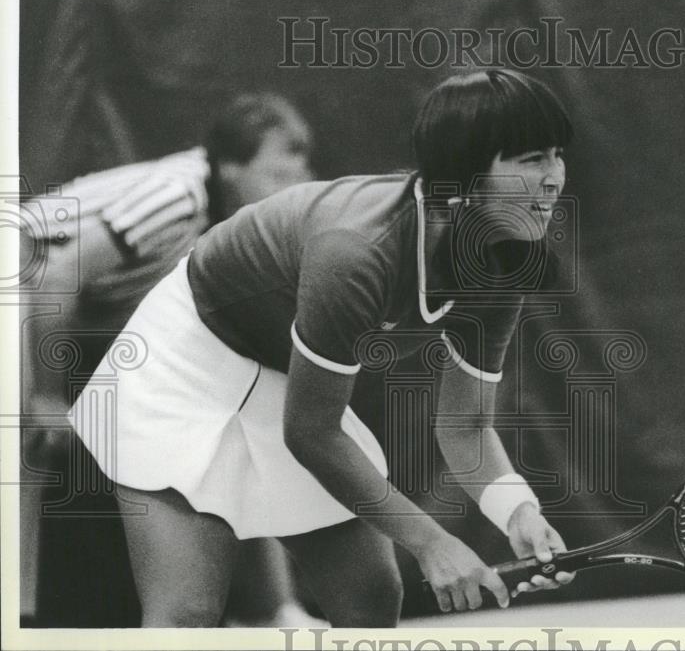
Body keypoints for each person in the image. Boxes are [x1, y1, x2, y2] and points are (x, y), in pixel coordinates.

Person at [67, 68, 577, 627]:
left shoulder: (509, 259)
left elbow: (465, 426)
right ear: (463, 173)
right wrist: (432, 543)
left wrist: (518, 512)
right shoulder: (356, 250)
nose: (554, 177)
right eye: (531, 160)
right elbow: (312, 433)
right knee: (186, 616)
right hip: (185, 362)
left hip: (280, 375)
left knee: (372, 597)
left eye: (555, 154)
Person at [20, 91, 317, 628]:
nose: (293, 189)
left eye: (301, 175)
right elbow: (54, 276)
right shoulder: (175, 196)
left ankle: (273, 610)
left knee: (230, 427)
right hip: (22, 284)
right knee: (28, 459)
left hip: (72, 307)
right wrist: (45, 395)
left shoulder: (230, 231)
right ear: (229, 167)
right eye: (277, 175)